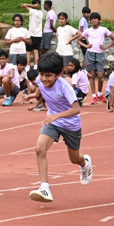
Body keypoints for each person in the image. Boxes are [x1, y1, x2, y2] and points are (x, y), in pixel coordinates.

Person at [26, 52, 92, 203]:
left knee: (74, 159)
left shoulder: (65, 87)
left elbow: (76, 109)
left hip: (70, 125)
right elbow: (40, 87)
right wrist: (34, 96)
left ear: (59, 73)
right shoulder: (40, 80)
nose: (44, 78)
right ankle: (45, 188)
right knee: (39, 148)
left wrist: (56, 116)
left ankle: (85, 164)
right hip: (53, 123)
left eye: (48, 75)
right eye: (42, 74)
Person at [78, 11, 114, 105]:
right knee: (91, 75)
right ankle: (94, 96)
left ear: (99, 20)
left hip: (99, 54)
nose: (93, 20)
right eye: (92, 19)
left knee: (101, 76)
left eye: (95, 19)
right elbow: (79, 40)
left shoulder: (103, 29)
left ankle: (100, 94)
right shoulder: (88, 31)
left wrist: (105, 47)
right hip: (90, 54)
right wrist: (86, 46)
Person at [21, 0, 44, 68]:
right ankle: (35, 66)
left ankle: (28, 66)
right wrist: (35, 6)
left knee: (28, 51)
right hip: (39, 35)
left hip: (32, 34)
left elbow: (24, 5)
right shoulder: (41, 12)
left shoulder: (33, 11)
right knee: (36, 51)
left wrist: (33, 6)